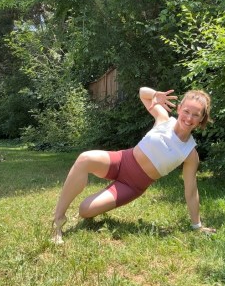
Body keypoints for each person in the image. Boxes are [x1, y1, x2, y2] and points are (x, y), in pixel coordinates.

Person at [52, 86, 216, 243]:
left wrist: (197, 226)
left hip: (131, 186)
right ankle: (58, 219)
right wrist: (154, 95)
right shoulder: (163, 119)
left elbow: (191, 191)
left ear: (202, 118)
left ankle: (102, 197)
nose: (189, 118)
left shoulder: (189, 154)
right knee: (84, 158)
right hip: (121, 161)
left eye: (196, 115)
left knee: (85, 210)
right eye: (186, 111)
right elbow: (142, 93)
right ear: (179, 108)